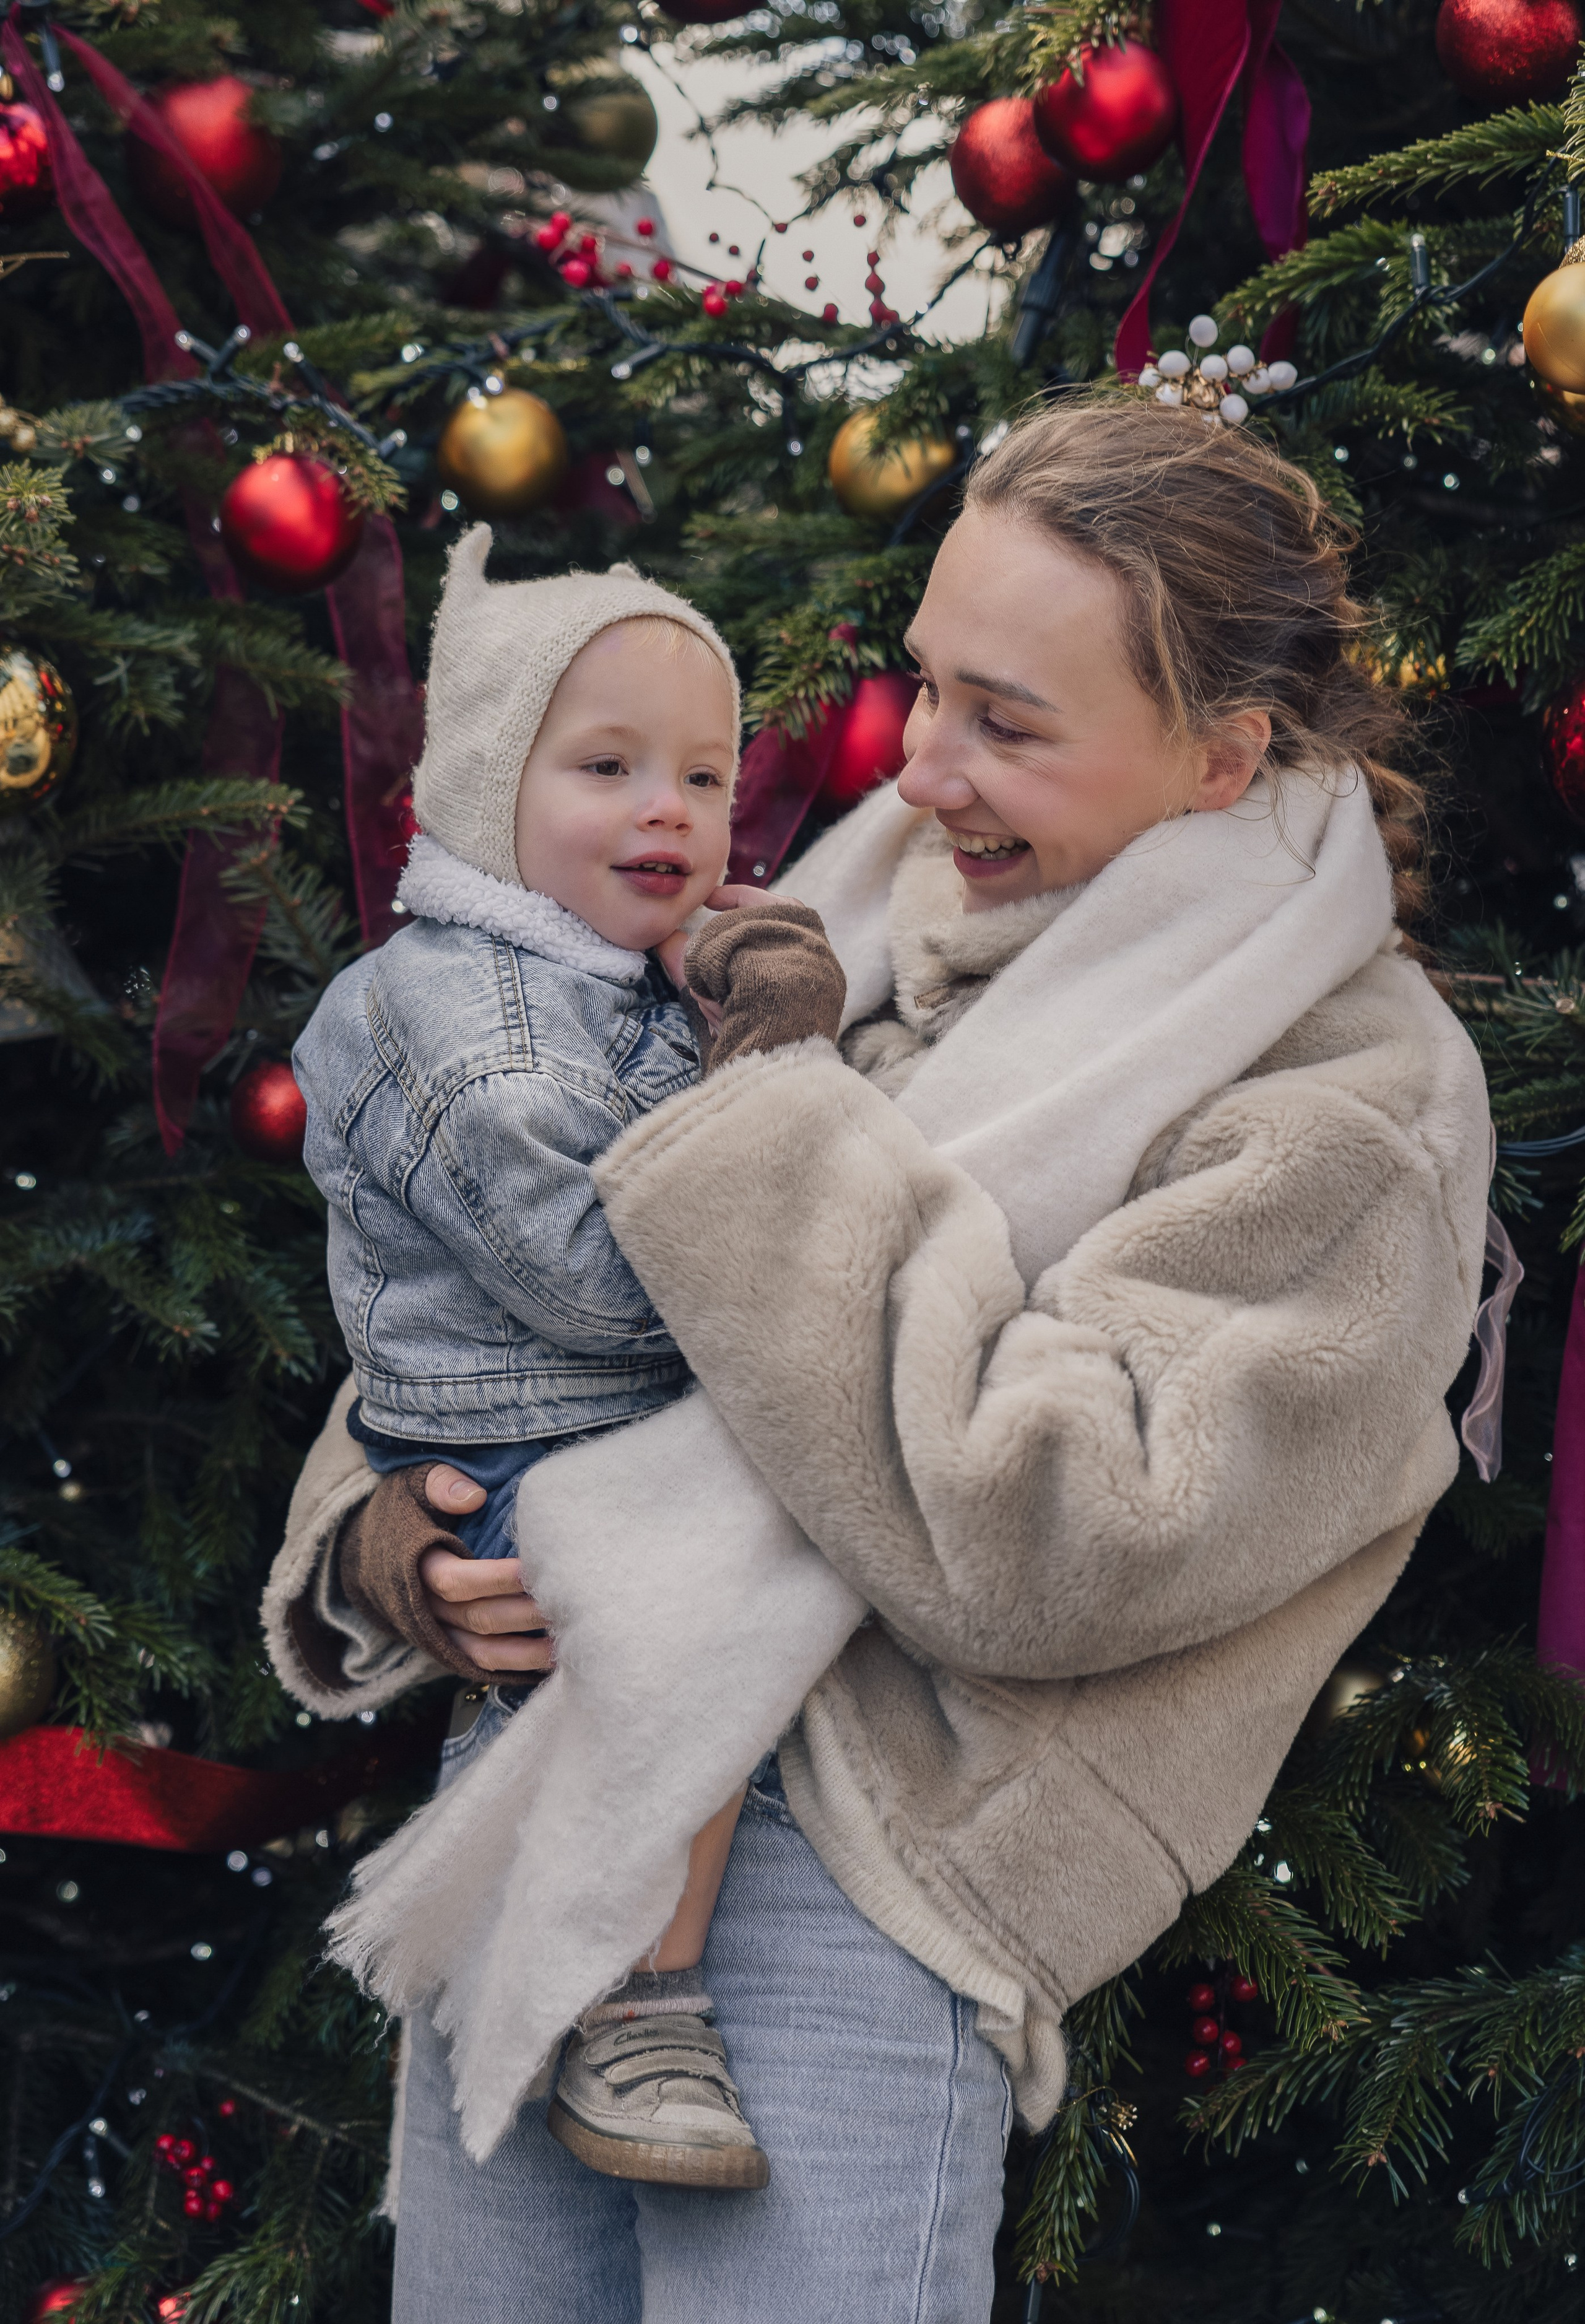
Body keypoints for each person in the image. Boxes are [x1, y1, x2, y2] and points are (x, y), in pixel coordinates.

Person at [264, 396, 1493, 2323]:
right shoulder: (845, 925)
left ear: (1223, 754)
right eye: (925, 688)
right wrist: (380, 1538)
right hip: (559, 1785)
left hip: (857, 1883)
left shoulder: (1343, 1102)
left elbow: (1056, 1534)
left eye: (1008, 721)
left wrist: (766, 1125)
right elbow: (517, 1288)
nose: (920, 773)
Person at [291, 529, 843, 2192]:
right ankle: (631, 1994)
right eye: (607, 767)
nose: (667, 810)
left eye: (699, 769)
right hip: (542, 1435)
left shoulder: (590, 973)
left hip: (580, 1419)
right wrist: (770, 1062)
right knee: (695, 1638)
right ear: (484, 786)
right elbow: (611, 1292)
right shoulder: (483, 1029)